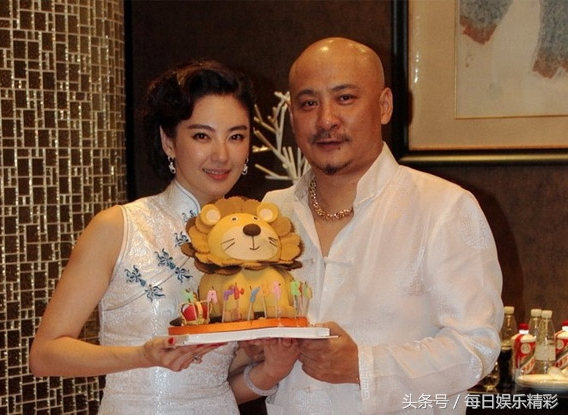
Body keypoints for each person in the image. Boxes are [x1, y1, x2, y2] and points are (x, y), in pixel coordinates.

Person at [29, 59, 295, 415]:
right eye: (202, 136)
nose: (221, 154)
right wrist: (142, 356)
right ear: (169, 141)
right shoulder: (119, 227)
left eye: (236, 136)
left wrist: (268, 364)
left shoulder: (250, 243)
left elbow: (210, 383)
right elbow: (45, 355)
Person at [261, 37, 504, 414]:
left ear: (385, 105)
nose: (326, 120)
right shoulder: (270, 214)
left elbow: (476, 347)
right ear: (292, 116)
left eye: (345, 98)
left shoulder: (442, 207)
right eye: (309, 103)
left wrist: (364, 366)